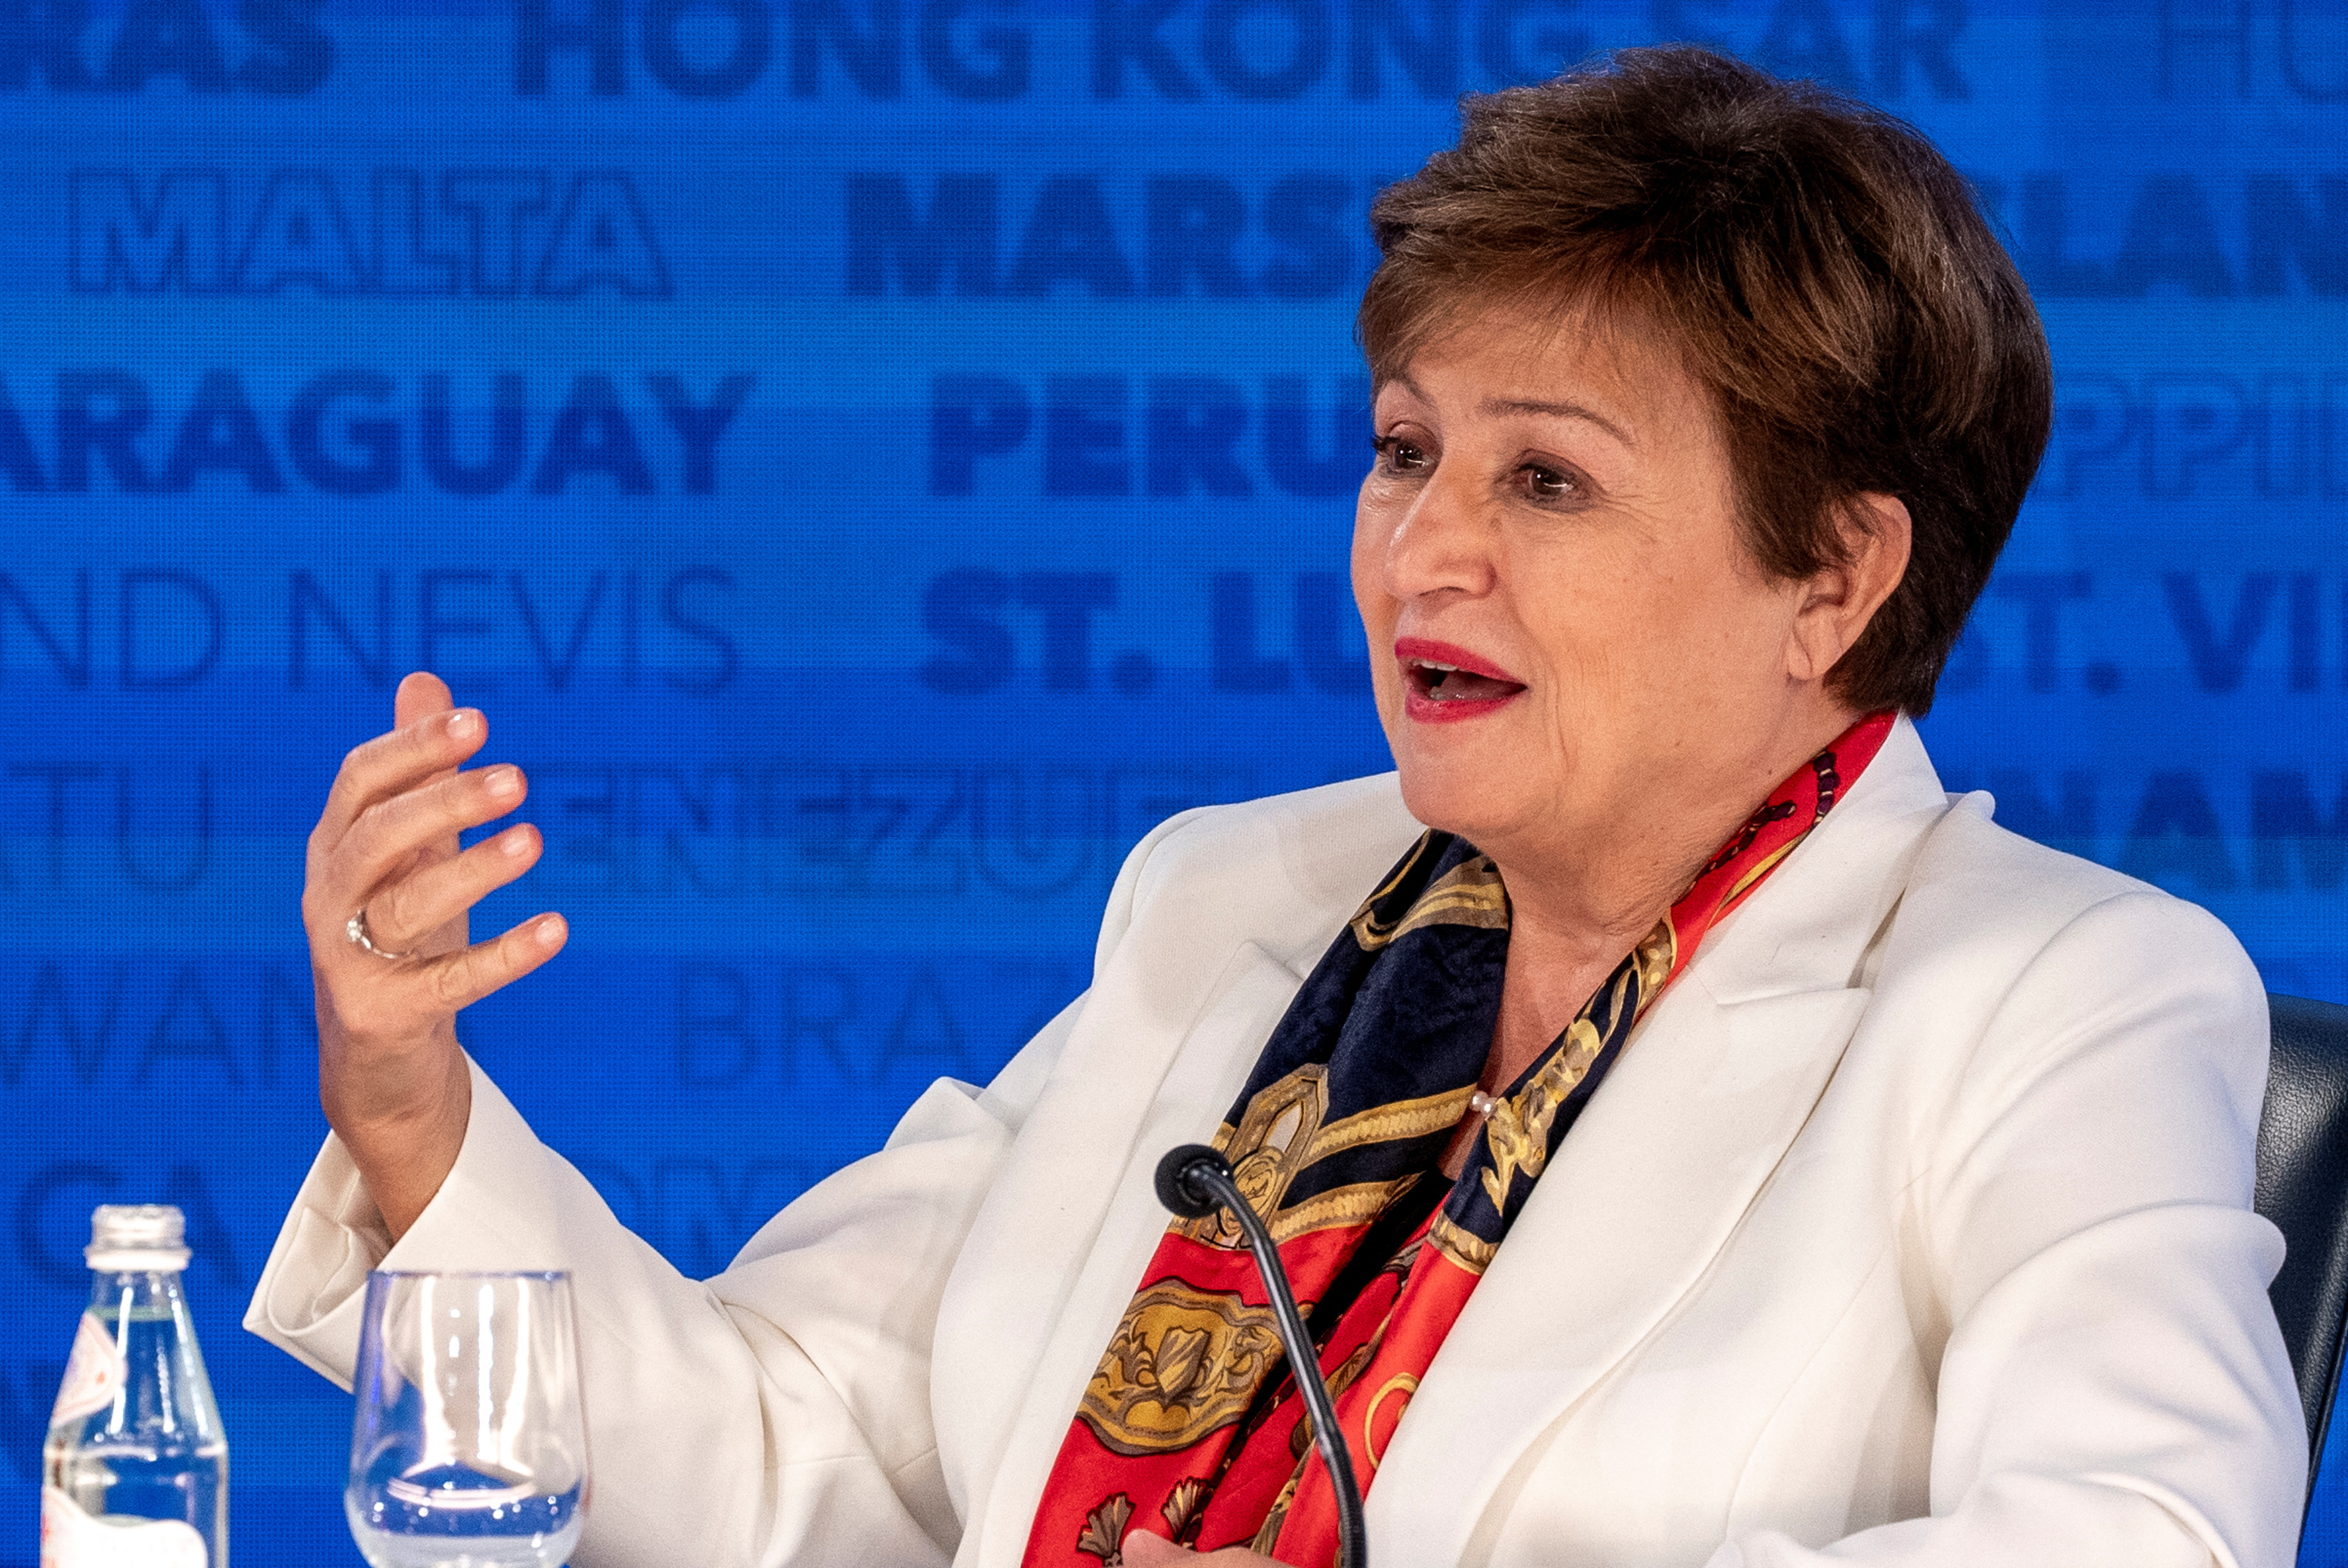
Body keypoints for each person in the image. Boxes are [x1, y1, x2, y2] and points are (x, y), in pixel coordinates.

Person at [248, 46, 2306, 1568]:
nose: (1424, 554)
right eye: (1407, 451)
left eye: (1549, 482)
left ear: (1834, 577)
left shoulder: (2061, 996)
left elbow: (2142, 1536)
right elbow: (822, 1453)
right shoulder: (1231, 905)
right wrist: (416, 1127)